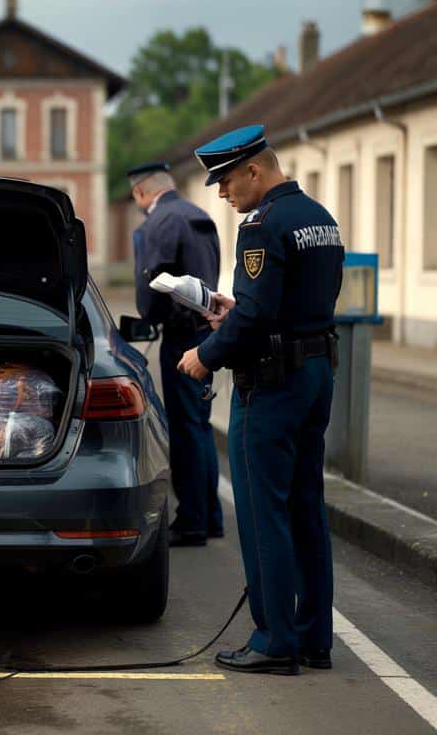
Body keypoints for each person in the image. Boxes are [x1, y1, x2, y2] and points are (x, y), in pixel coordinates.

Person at [178, 124, 344, 676]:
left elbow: (255, 316)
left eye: (225, 181)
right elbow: (289, 304)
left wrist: (207, 352)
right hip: (316, 371)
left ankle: (274, 641)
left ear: (254, 170)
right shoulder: (320, 218)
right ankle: (314, 636)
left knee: (261, 510)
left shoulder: (263, 226)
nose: (222, 193)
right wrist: (243, 316)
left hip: (271, 384)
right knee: (304, 505)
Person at [127, 161, 223, 547]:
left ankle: (192, 521)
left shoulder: (157, 223)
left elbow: (152, 286)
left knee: (184, 430)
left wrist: (149, 316)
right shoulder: (200, 216)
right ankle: (211, 516)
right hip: (208, 334)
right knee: (200, 425)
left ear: (140, 192)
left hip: (181, 338)